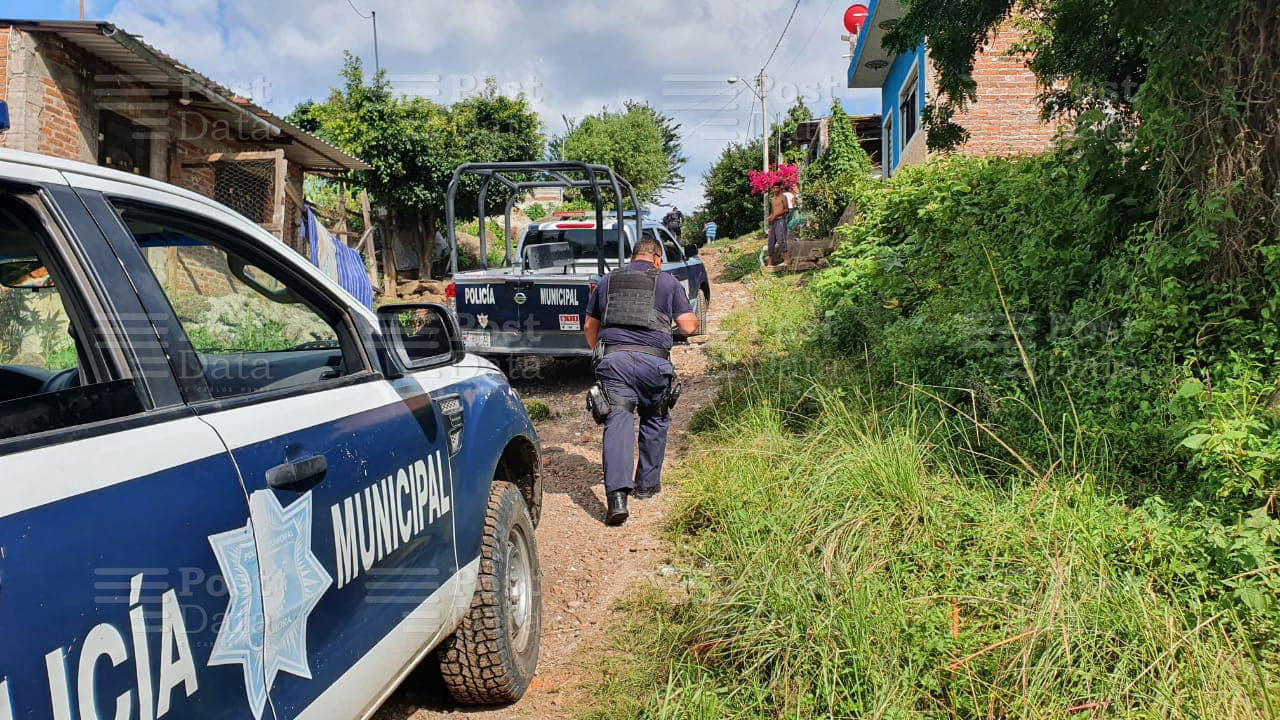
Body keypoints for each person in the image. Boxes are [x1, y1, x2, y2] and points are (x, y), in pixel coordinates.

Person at [583, 236, 700, 525]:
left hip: (615, 362)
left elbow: (589, 326)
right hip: (654, 363)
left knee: (618, 419)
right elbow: (688, 325)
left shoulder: (607, 281)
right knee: (656, 416)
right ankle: (647, 486)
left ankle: (617, 499)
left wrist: (601, 352)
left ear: (633, 257)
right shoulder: (667, 282)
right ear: (657, 259)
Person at [766, 181, 789, 267]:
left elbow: (786, 210)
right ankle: (770, 263)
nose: (775, 189)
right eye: (774, 188)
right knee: (770, 242)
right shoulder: (772, 200)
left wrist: (776, 215)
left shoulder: (783, 197)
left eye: (777, 187)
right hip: (773, 222)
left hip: (780, 220)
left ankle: (786, 260)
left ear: (780, 188)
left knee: (781, 240)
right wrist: (770, 217)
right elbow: (773, 212)